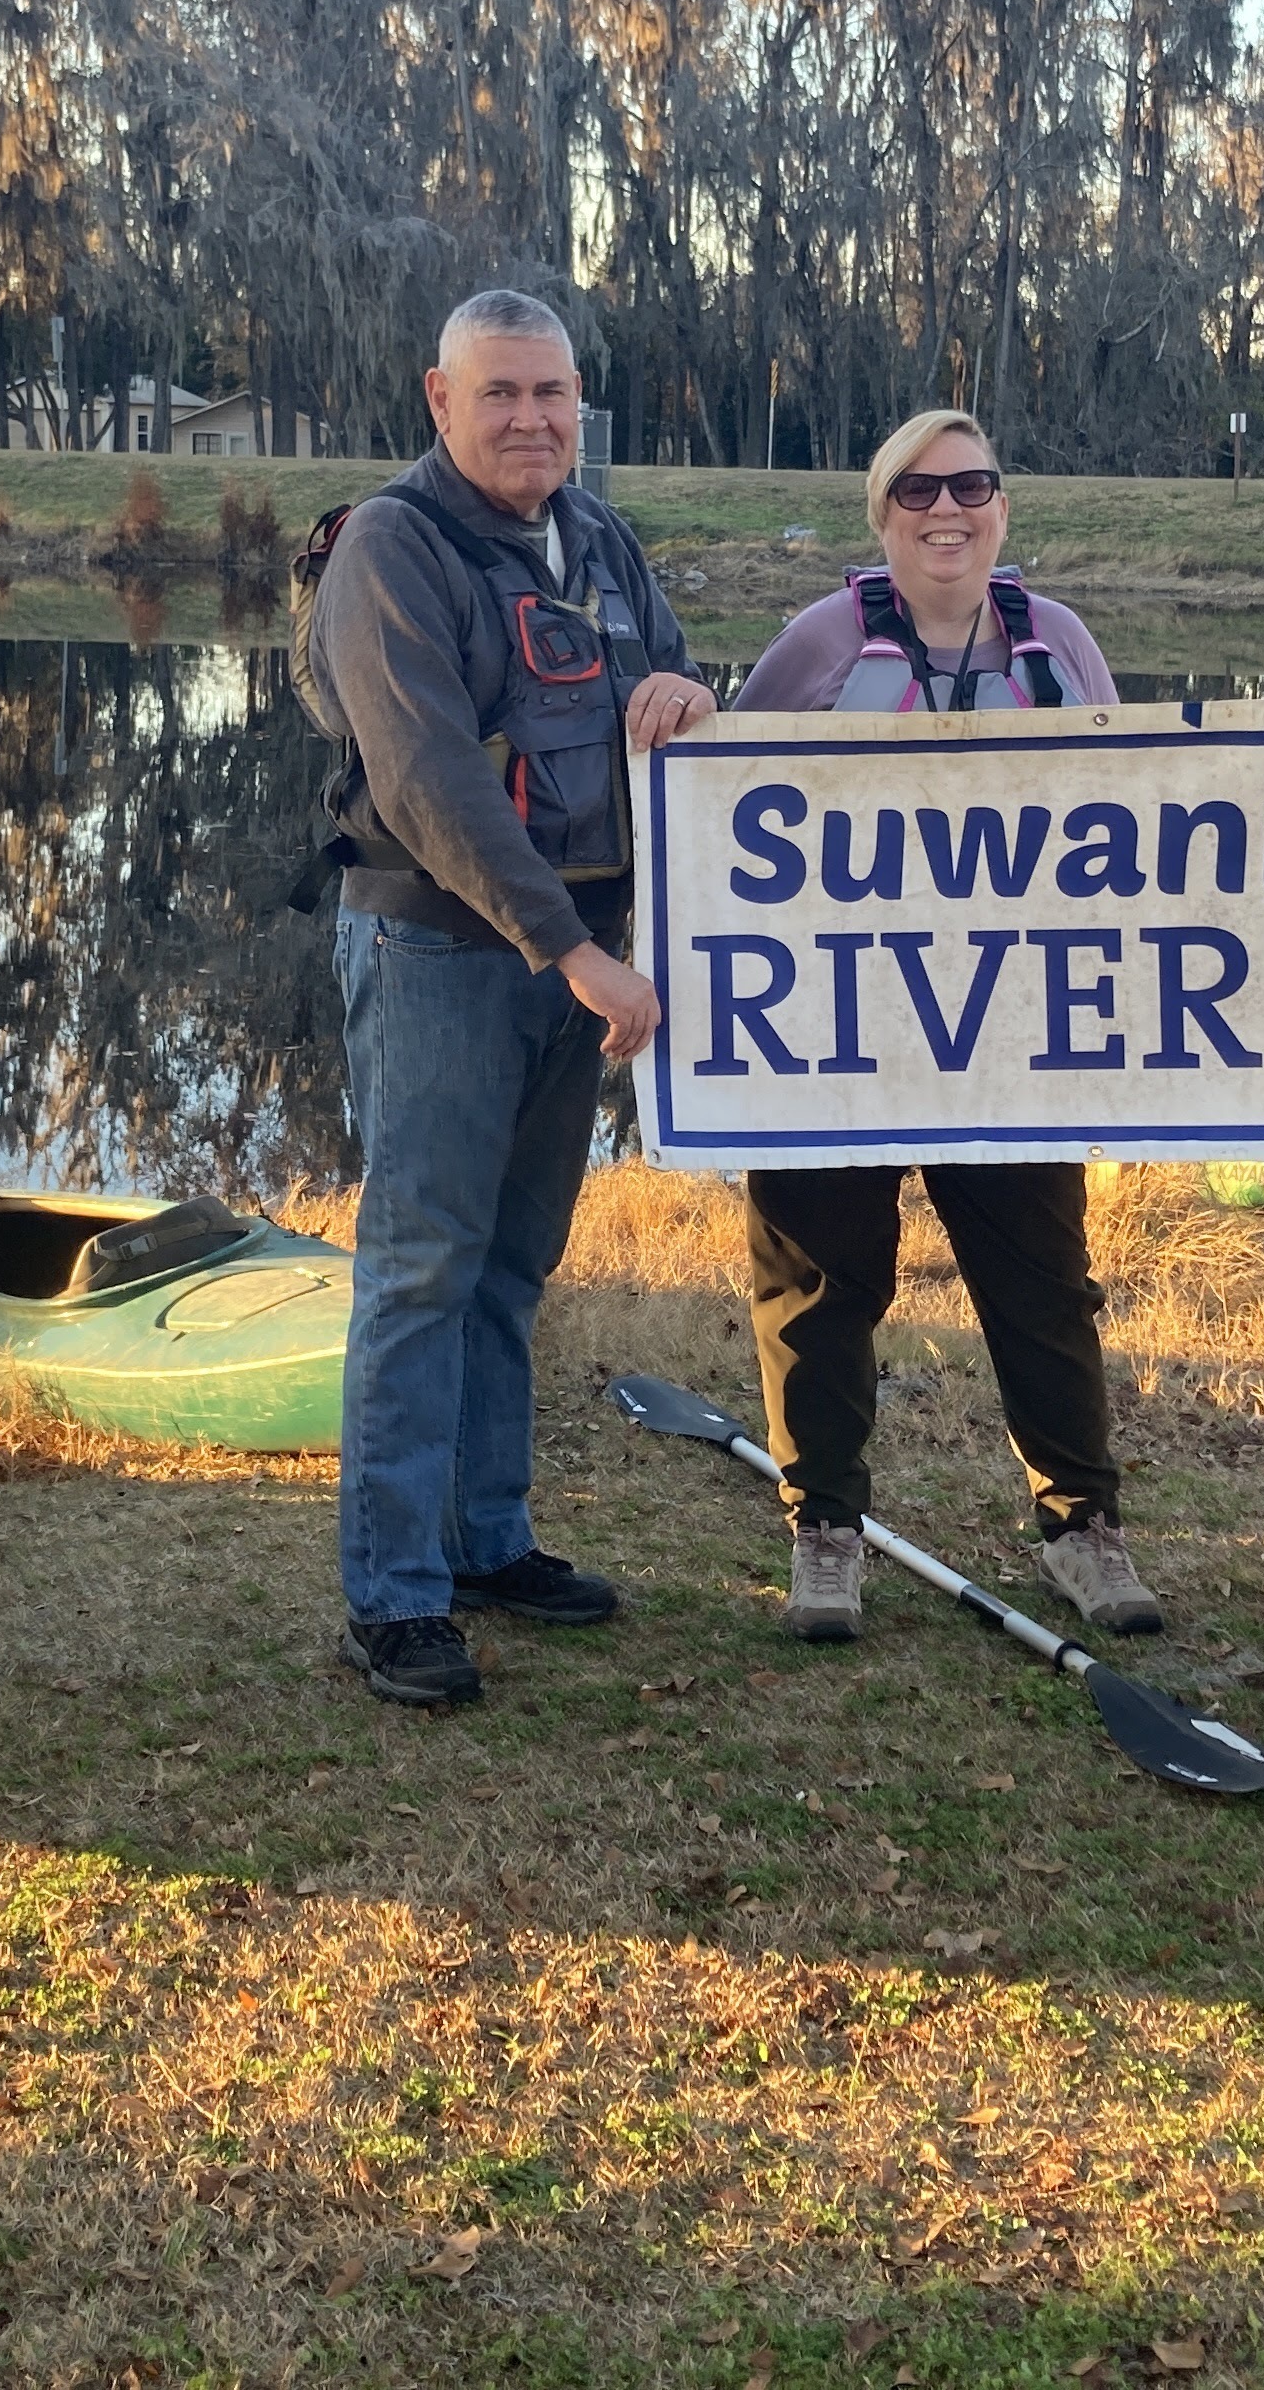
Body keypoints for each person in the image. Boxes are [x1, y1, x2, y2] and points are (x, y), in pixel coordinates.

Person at [302, 287, 715, 1711]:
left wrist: (685, 695)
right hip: (446, 957)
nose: (532, 418)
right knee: (421, 1268)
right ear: (439, 400)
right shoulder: (390, 549)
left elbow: (661, 671)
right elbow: (429, 781)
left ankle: (487, 1540)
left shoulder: (596, 537)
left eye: (552, 393)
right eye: (501, 395)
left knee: (510, 1266)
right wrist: (577, 952)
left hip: (572, 965)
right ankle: (393, 1595)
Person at [724, 410, 1159, 1646]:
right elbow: (725, 798)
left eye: (972, 486)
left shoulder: (1057, 644)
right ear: (884, 515)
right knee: (818, 1285)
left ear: (1004, 511)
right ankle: (825, 1533)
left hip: (1008, 1032)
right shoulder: (823, 640)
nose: (947, 509)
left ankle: (1083, 1530)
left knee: (1041, 1290)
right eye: (918, 490)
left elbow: (1131, 813)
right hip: (834, 1024)